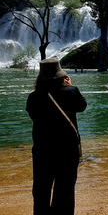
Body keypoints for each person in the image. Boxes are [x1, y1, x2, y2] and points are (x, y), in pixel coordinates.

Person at [26, 58, 87, 215]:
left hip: (42, 150)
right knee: (65, 189)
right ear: (61, 76)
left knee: (41, 191)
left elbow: (34, 116)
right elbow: (82, 106)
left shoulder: (33, 97)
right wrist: (70, 86)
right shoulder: (71, 92)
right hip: (67, 150)